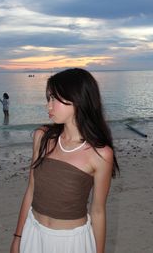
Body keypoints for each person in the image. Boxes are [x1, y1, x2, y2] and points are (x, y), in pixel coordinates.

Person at [10, 68, 119, 253]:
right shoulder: (42, 137)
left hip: (71, 243)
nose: (48, 106)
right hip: (33, 233)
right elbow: (31, 189)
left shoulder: (100, 154)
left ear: (76, 100)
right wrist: (18, 238)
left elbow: (98, 211)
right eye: (48, 98)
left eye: (54, 98)